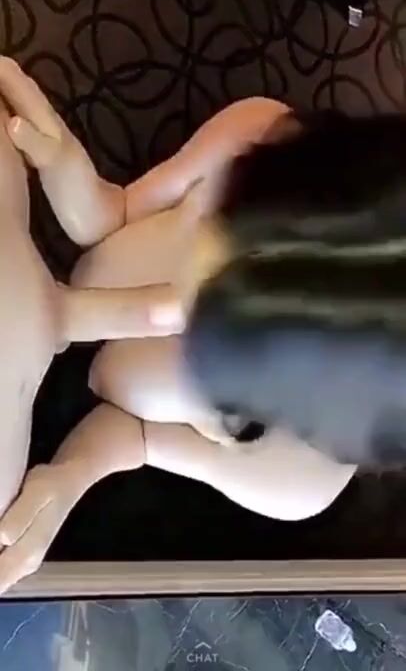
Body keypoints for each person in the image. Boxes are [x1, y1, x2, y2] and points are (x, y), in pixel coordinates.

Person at [0, 57, 357, 593]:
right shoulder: (262, 143)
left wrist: (68, 480)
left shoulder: (304, 474)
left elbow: (140, 436)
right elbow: (114, 214)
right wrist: (60, 161)